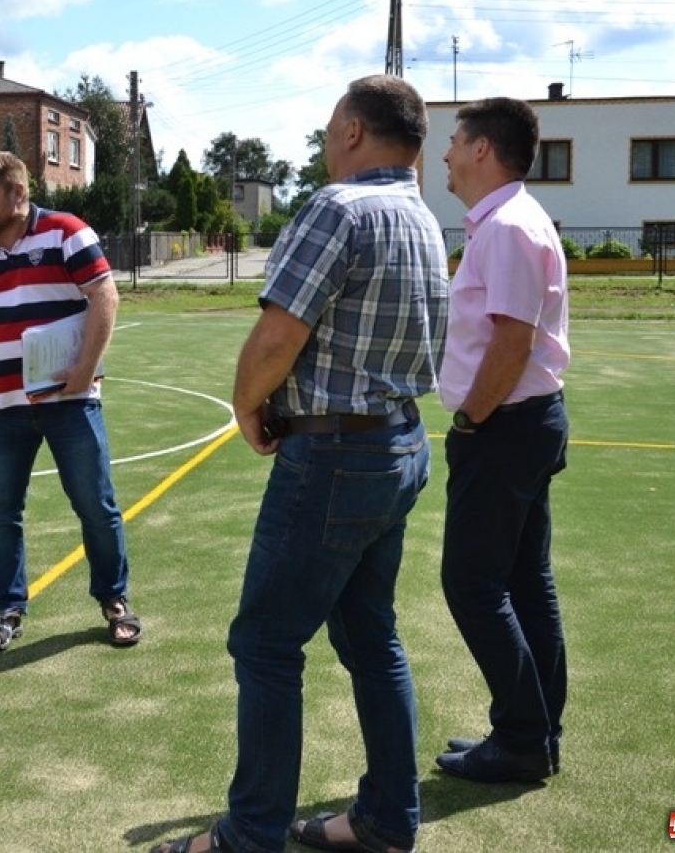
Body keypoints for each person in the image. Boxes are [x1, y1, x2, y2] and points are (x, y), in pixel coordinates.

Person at [153, 75, 446, 853]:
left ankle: (250, 834)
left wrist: (247, 404)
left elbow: (279, 335)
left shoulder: (337, 207)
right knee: (369, 636)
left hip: (336, 451)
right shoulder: (420, 215)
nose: (322, 142)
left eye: (326, 128)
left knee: (267, 644)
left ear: (353, 130)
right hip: (398, 442)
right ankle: (387, 819)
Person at [0, 151, 141, 653]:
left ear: (19, 194)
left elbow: (105, 296)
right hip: (2, 407)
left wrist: (86, 369)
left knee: (96, 504)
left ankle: (114, 601)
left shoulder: (66, 232)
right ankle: (5, 610)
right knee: (1, 512)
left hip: (71, 402)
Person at [433, 96, 570, 784]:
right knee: (521, 581)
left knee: (471, 580)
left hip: (503, 427)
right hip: (519, 424)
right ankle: (533, 732)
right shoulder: (507, 221)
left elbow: (510, 339)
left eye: (455, 140)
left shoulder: (507, 227)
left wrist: (469, 419)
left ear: (483, 148)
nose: (447, 154)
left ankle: (521, 737)